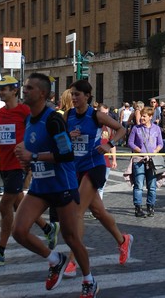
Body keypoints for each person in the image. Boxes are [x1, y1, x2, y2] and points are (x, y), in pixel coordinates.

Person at [11, 73, 96, 296]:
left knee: (71, 238)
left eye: (29, 88)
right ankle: (54, 260)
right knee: (18, 231)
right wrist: (25, 162)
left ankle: (89, 280)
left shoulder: (54, 119)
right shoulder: (28, 118)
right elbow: (33, 148)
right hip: (40, 186)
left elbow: (66, 154)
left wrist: (34, 156)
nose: (24, 90)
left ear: (42, 93)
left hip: (62, 186)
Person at [0, 76, 57, 266]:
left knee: (5, 206)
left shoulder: (25, 111)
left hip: (17, 165)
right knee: (18, 204)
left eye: (4, 89)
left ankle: (0, 251)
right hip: (4, 164)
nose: (0, 92)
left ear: (14, 91)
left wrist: (30, 154)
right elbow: (4, 138)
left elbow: (35, 133)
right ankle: (47, 228)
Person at [63, 79, 132, 279]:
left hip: (94, 167)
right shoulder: (68, 116)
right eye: (72, 94)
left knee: (77, 211)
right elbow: (61, 138)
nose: (74, 98)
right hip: (76, 168)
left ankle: (73, 260)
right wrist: (69, 135)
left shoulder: (96, 115)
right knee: (99, 212)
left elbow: (121, 129)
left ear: (87, 96)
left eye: (78, 94)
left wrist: (109, 144)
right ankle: (123, 240)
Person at [127, 106, 163, 217]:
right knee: (138, 184)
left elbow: (160, 143)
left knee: (152, 185)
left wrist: (154, 152)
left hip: (152, 160)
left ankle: (150, 206)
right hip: (139, 160)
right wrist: (142, 152)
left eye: (144, 116)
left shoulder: (156, 129)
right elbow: (130, 143)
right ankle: (138, 207)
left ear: (150, 117)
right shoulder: (136, 128)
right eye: (141, 115)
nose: (141, 118)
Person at [98, 103, 118, 200]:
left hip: (106, 162)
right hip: (93, 161)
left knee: (101, 187)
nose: (105, 116)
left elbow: (112, 144)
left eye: (107, 113)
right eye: (103, 113)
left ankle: (97, 209)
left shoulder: (109, 128)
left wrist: (114, 159)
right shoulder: (93, 125)